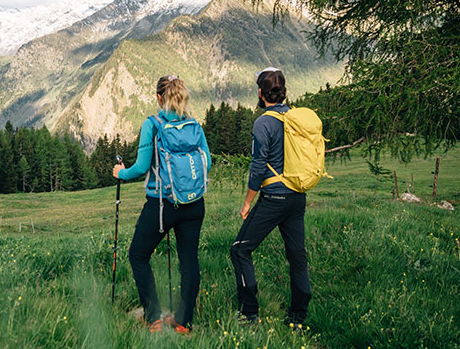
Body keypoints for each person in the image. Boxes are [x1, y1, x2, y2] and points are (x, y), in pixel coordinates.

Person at [112, 75, 211, 334]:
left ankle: (153, 317)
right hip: (194, 204)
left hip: (161, 206)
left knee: (138, 255)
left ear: (159, 97)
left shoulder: (152, 125)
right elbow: (207, 164)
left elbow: (142, 167)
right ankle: (183, 323)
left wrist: (120, 173)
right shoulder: (194, 126)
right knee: (189, 262)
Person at [229, 67, 311, 327]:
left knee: (240, 249)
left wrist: (247, 202)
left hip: (274, 198)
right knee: (297, 256)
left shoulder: (263, 122)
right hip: (297, 196)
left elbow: (258, 166)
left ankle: (249, 313)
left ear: (260, 93)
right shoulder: (295, 118)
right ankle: (298, 317)